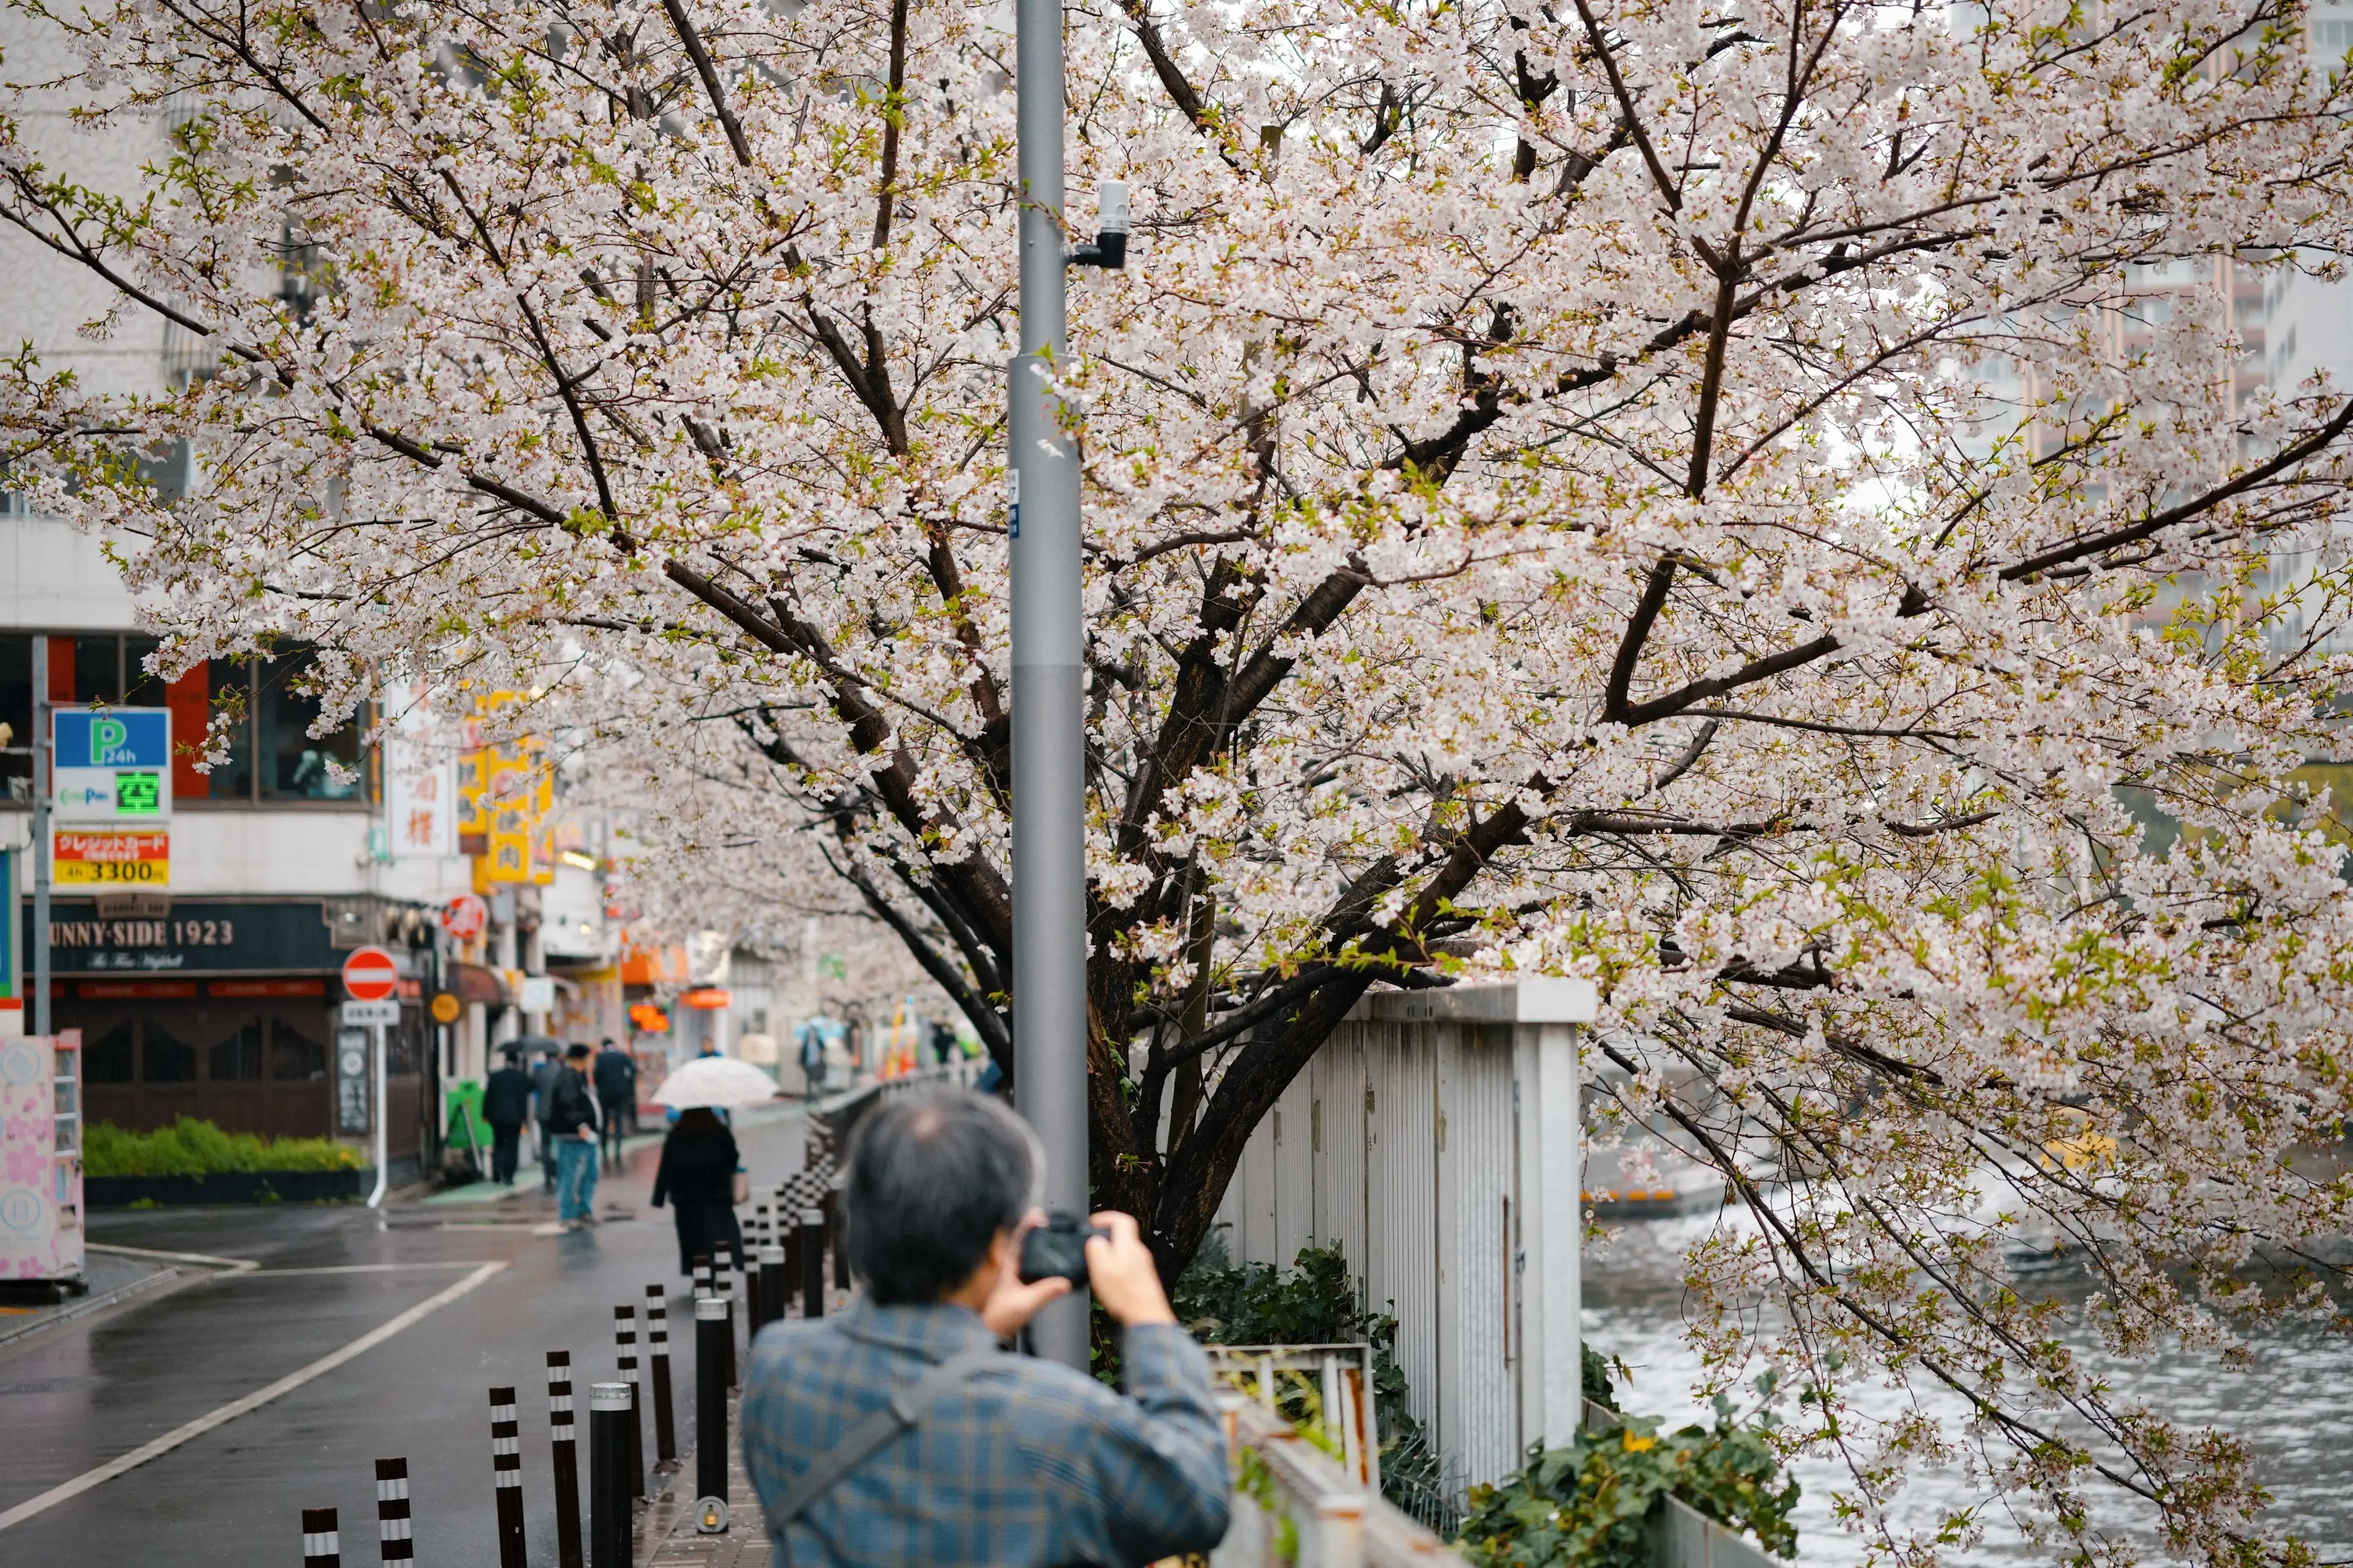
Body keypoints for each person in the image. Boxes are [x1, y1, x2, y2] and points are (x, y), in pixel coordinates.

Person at [742, 1088, 1230, 1567]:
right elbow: (1197, 1500)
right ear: (1001, 1244)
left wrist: (977, 1327)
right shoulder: (1049, 1418)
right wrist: (1147, 1313)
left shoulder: (778, 1366)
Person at [650, 1106, 746, 1275]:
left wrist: (659, 1197)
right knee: (718, 1232)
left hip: (685, 1197)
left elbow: (666, 1166)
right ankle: (721, 1265)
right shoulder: (719, 1131)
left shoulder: (677, 1134)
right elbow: (733, 1157)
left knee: (692, 1238)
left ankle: (699, 1273)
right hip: (716, 1194)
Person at [547, 1042, 602, 1229]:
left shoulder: (578, 1077)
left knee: (589, 1173)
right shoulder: (569, 1077)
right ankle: (568, 1214)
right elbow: (568, 1104)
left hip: (583, 1134)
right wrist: (581, 1125)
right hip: (574, 1135)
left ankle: (582, 1210)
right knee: (571, 1175)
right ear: (584, 1058)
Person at [480, 1047, 533, 1186]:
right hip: (515, 1117)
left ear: (505, 1061)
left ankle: (496, 1173)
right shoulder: (521, 1077)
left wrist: (485, 1114)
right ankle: (509, 1175)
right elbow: (531, 1088)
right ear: (517, 1062)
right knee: (513, 1146)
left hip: (496, 1117)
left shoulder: (495, 1077)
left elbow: (488, 1097)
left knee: (498, 1144)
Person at [593, 1037, 636, 1170]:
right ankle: (618, 1146)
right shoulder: (621, 1056)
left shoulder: (601, 1058)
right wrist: (628, 1087)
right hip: (620, 1093)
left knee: (605, 1121)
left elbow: (596, 1075)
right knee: (618, 1119)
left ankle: (605, 1147)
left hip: (605, 1094)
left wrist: (600, 1087)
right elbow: (632, 1071)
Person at [529, 1044, 564, 1192]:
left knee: (545, 1143)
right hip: (559, 1113)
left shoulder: (539, 1071)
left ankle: (547, 1176)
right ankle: (557, 1171)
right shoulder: (563, 1071)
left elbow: (532, 1087)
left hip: (543, 1112)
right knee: (559, 1143)